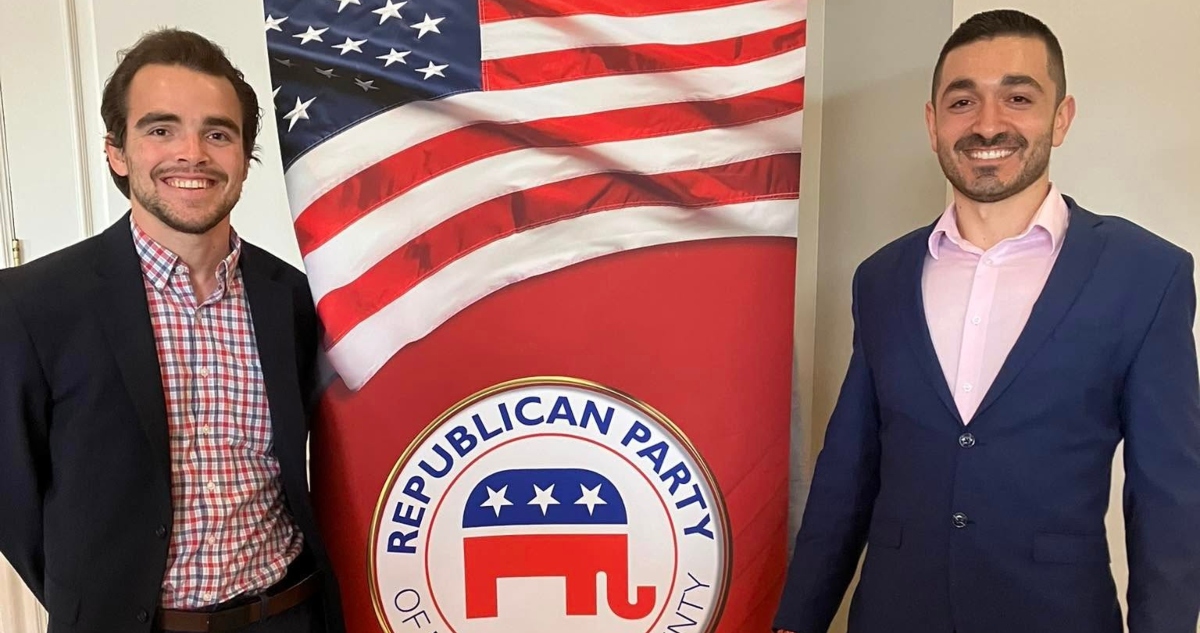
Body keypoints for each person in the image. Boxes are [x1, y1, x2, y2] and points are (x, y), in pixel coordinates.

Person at [773, 9, 1199, 633]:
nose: (988, 123)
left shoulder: (1146, 274)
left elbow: (1169, 497)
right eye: (962, 101)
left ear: (1061, 117)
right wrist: (796, 619)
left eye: (1018, 98)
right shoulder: (881, 278)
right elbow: (848, 469)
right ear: (933, 124)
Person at [0, 28, 344, 633]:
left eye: (218, 133)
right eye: (161, 130)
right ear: (117, 152)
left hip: (288, 615)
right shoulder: (31, 305)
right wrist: (95, 600)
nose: (193, 154)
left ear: (245, 159)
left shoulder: (294, 298)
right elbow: (12, 496)